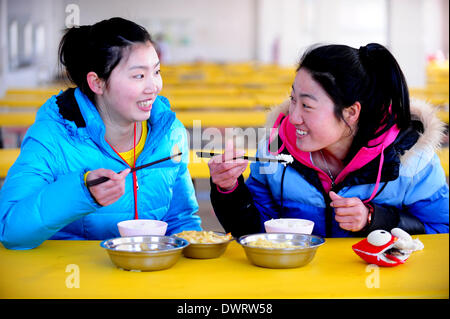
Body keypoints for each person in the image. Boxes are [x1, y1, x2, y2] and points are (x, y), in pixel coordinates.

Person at [208, 43, 449, 238]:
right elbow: (254, 233)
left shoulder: (413, 160)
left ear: (351, 113)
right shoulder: (273, 150)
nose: (292, 118)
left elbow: (441, 231)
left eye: (307, 106)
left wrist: (375, 219)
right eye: (293, 99)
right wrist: (229, 189)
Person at [0, 17, 201, 250]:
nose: (153, 86)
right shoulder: (51, 138)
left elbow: (181, 221)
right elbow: (10, 230)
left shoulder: (169, 133)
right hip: (74, 280)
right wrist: (81, 192)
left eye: (156, 71)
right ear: (97, 83)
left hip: (151, 277)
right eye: (139, 75)